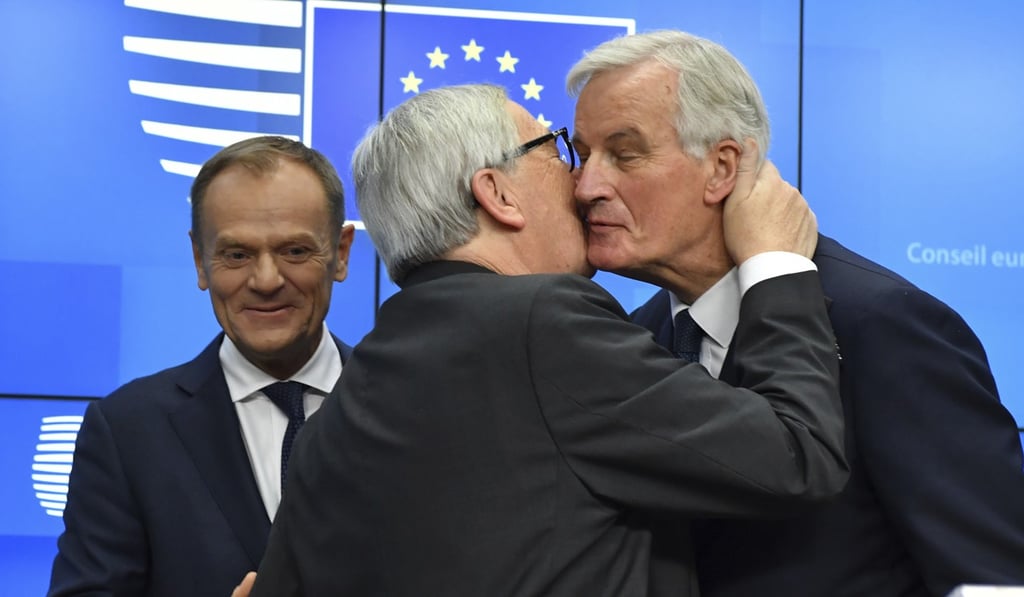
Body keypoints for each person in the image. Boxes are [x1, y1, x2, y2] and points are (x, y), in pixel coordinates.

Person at [247, 83, 847, 596]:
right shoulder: (542, 321)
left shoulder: (335, 412)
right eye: (558, 151)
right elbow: (798, 455)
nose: (582, 183)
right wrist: (775, 265)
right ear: (497, 194)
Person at [568, 29, 1024, 597]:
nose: (586, 187)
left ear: (722, 167)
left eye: (625, 154)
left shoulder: (880, 324)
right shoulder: (632, 340)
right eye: (582, 156)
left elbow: (992, 577)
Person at [48, 136, 357, 597]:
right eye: (237, 255)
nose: (266, 280)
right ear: (199, 260)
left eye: (294, 251)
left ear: (341, 252)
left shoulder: (418, 412)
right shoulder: (127, 433)